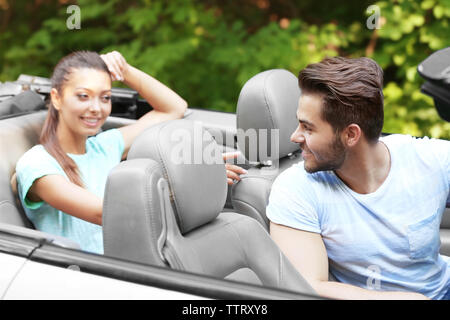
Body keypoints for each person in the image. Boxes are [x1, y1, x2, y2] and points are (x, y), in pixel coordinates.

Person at [14, 50, 246, 254]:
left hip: (129, 264)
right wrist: (188, 183)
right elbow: (103, 213)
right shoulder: (37, 164)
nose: (96, 108)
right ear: (56, 98)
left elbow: (174, 108)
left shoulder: (105, 145)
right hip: (84, 278)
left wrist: (125, 70)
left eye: (105, 97)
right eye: (83, 96)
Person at [266, 56, 450, 300]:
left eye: (307, 127)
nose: (294, 136)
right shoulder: (295, 189)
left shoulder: (433, 160)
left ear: (351, 135)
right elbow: (309, 286)